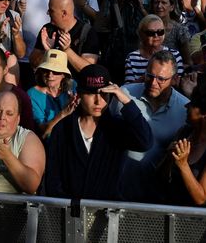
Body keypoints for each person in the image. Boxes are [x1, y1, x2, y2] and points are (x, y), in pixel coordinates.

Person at [43, 64, 153, 199]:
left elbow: (145, 142)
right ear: (79, 94)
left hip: (106, 214)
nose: (98, 101)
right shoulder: (63, 129)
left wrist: (127, 101)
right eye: (90, 93)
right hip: (70, 213)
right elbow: (53, 178)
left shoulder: (116, 128)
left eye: (104, 94)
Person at [109, 51, 190, 203]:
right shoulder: (124, 95)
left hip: (156, 199)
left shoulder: (185, 109)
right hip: (117, 194)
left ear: (174, 80)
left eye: (161, 79)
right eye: (149, 76)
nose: (153, 83)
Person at [164, 84, 206, 207]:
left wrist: (183, 165)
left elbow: (201, 198)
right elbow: (159, 179)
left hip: (195, 222)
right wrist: (168, 158)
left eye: (192, 104)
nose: (186, 106)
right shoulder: (184, 132)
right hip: (170, 212)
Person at [122, 15, 183, 84]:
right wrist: (145, 79)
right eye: (151, 33)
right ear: (141, 34)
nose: (156, 36)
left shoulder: (175, 55)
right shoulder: (132, 57)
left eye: (160, 32)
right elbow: (127, 88)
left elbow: (178, 84)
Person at [27, 49, 72, 136]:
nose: (50, 75)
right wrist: (63, 113)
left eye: (55, 71)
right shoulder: (32, 95)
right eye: (46, 70)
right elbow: (43, 132)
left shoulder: (73, 87)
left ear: (63, 74)